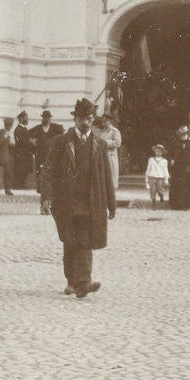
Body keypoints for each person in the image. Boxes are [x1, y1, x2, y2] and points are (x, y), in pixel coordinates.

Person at [42, 97, 116, 299]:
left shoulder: (99, 144)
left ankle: (83, 282)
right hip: (66, 201)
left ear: (93, 120)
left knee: (84, 240)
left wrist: (112, 204)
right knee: (70, 241)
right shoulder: (61, 142)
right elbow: (48, 171)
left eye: (89, 118)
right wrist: (46, 197)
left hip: (90, 201)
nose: (85, 122)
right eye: (82, 118)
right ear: (75, 119)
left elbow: (106, 175)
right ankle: (71, 282)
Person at [32, 110, 64, 214]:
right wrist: (33, 142)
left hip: (52, 159)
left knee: (50, 182)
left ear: (50, 118)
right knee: (42, 182)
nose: (46, 119)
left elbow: (62, 132)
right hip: (41, 158)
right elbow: (27, 134)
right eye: (44, 117)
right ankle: (43, 206)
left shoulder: (55, 129)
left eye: (48, 117)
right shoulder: (38, 129)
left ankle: (48, 205)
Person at [168, 126, 190, 210]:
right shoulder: (175, 144)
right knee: (177, 186)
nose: (183, 136)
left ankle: (188, 204)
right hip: (177, 169)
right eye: (181, 135)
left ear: (188, 134)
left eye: (184, 134)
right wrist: (171, 160)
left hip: (188, 168)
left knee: (188, 185)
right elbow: (170, 155)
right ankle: (176, 205)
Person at [100, 113, 122, 190]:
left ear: (109, 121)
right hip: (103, 156)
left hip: (111, 156)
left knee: (111, 174)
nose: (104, 123)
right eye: (103, 121)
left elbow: (117, 143)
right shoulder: (102, 131)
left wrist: (105, 142)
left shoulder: (115, 131)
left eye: (105, 121)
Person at [13, 110, 33, 189]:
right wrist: (30, 141)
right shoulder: (18, 129)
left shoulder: (25, 129)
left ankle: (22, 184)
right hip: (21, 155)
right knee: (20, 170)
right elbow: (20, 141)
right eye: (26, 118)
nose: (28, 120)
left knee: (25, 170)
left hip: (26, 154)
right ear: (21, 119)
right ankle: (19, 185)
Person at [1, 116, 16, 196]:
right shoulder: (1, 132)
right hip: (3, 156)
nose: (9, 127)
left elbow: (13, 144)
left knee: (8, 173)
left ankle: (8, 189)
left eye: (10, 125)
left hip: (10, 156)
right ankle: (6, 189)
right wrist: (6, 135)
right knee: (7, 172)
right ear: (5, 125)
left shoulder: (11, 133)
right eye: (8, 125)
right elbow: (0, 142)